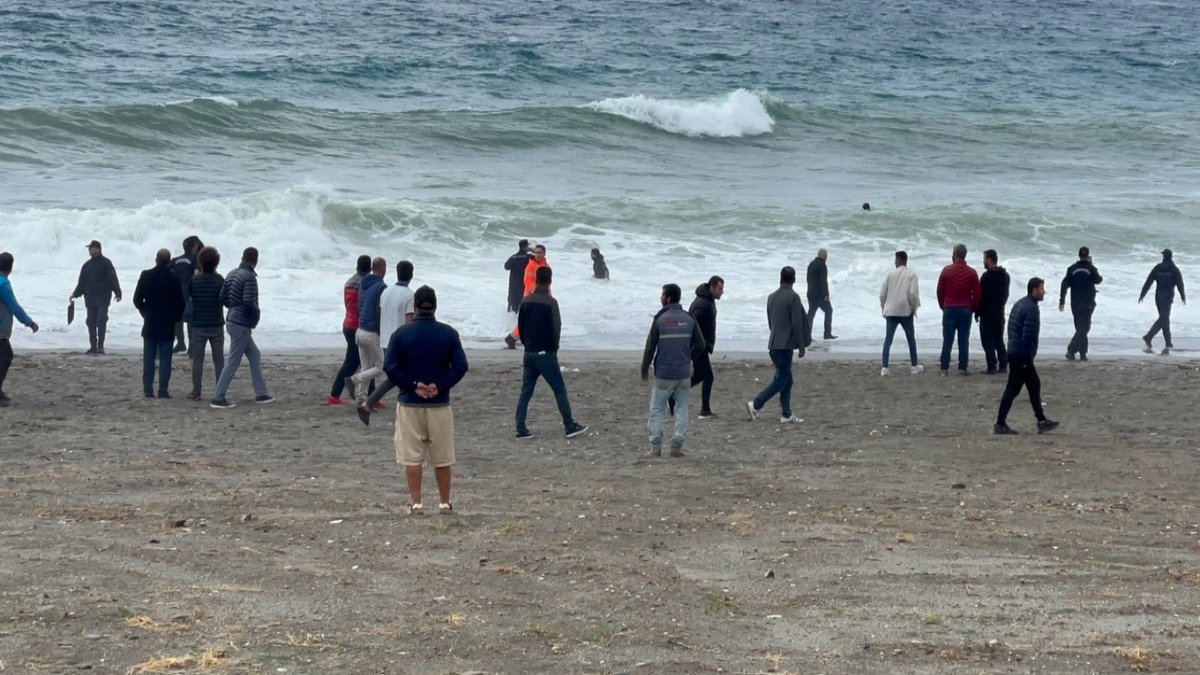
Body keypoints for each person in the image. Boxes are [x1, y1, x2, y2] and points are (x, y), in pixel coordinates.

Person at [383, 285, 469, 515]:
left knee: (412, 456)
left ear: (415, 307)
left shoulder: (401, 334)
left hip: (410, 402)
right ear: (435, 306)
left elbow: (389, 366)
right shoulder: (448, 333)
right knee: (442, 457)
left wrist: (413, 385)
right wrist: (439, 385)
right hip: (439, 403)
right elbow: (461, 366)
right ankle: (444, 502)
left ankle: (417, 503)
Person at [514, 266, 589, 439]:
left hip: (529, 352)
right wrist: (553, 349)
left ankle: (520, 428)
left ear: (535, 280)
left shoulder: (525, 301)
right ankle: (569, 425)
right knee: (559, 390)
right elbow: (556, 328)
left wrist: (527, 345)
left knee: (526, 391)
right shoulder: (551, 303)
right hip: (545, 353)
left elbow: (521, 328)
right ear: (550, 281)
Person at [641, 283, 706, 457]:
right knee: (682, 409)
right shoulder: (689, 318)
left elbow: (650, 347)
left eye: (662, 295)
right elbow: (701, 344)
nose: (660, 298)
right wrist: (688, 356)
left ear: (668, 298)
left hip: (664, 373)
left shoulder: (660, 319)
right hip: (683, 373)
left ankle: (655, 447)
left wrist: (644, 368)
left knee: (656, 410)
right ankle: (676, 446)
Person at [994, 278, 1059, 435]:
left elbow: (1012, 329)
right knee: (1014, 388)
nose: (1044, 292)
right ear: (1034, 289)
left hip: (1014, 351)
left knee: (1032, 385)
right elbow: (1028, 335)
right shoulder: (1031, 308)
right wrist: (1027, 356)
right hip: (1021, 354)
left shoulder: (1021, 304)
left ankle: (1041, 420)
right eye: (1042, 289)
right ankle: (1000, 423)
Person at [211, 247, 273, 408]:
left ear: (242, 257)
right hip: (241, 323)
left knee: (254, 354)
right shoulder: (250, 277)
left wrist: (233, 308)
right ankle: (218, 397)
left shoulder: (232, 273)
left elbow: (222, 297)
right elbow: (248, 302)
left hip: (231, 319)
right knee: (233, 361)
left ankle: (261, 393)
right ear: (255, 260)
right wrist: (255, 315)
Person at [747, 266, 808, 423]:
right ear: (794, 279)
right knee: (781, 380)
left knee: (787, 379)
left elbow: (770, 322)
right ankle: (756, 404)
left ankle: (786, 413)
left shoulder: (771, 297)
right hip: (785, 345)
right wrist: (801, 346)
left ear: (780, 278)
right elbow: (797, 324)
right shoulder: (793, 297)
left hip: (773, 343)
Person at [357, 260, 415, 424]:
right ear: (411, 275)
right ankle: (371, 405)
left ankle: (369, 405)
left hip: (385, 340)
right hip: (401, 342)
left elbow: (380, 314)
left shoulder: (386, 291)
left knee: (396, 377)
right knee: (401, 377)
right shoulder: (410, 295)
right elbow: (409, 322)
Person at [133, 249, 186, 399]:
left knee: (149, 359)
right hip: (167, 324)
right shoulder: (174, 279)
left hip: (150, 322)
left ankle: (148, 390)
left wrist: (145, 313)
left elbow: (137, 300)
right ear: (169, 261)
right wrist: (175, 318)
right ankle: (163, 390)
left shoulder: (146, 275)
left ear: (156, 259)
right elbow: (180, 304)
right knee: (165, 360)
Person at [327, 255, 370, 405]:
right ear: (370, 269)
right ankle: (334, 394)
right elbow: (364, 307)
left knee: (362, 361)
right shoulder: (365, 284)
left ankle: (371, 395)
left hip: (348, 324)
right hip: (359, 326)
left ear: (357, 267)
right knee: (355, 362)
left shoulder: (348, 282)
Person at [0, 252, 39, 407]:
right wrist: (29, 323)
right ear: (10, 267)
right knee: (6, 357)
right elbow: (14, 307)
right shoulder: (3, 284)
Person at [70, 240, 122, 355]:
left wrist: (118, 293)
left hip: (103, 298)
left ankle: (100, 346)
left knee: (101, 319)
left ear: (98, 249)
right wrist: (75, 294)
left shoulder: (106, 263)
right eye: (89, 248)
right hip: (90, 298)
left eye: (92, 248)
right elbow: (81, 283)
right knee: (90, 321)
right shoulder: (86, 265)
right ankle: (93, 346)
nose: (90, 250)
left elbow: (113, 278)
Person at [936, 243, 981, 375]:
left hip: (949, 308)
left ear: (955, 255)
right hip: (965, 309)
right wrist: (973, 307)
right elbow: (977, 294)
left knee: (948, 340)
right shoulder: (972, 273)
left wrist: (942, 306)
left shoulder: (946, 271)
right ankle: (962, 367)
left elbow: (939, 291)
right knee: (963, 340)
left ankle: (944, 368)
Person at [187, 247, 225, 401]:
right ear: (216, 263)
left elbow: (190, 298)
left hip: (199, 324)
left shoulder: (194, 280)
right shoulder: (220, 280)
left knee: (198, 360)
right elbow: (225, 300)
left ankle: (196, 390)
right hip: (216, 324)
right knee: (219, 360)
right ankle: (220, 389)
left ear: (200, 262)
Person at [348, 257, 388, 403]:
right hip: (371, 332)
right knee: (381, 366)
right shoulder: (381, 287)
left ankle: (361, 398)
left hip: (360, 330)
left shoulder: (363, 283)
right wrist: (380, 330)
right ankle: (354, 380)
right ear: (382, 269)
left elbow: (359, 306)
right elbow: (379, 311)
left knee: (366, 366)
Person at [879, 250, 924, 376]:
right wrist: (913, 308)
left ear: (900, 260)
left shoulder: (890, 275)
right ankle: (914, 366)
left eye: (896, 260)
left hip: (891, 311)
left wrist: (884, 307)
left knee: (888, 340)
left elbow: (882, 294)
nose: (894, 263)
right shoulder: (911, 275)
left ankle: (885, 368)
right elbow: (913, 294)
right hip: (905, 311)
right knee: (911, 339)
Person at [688, 275, 723, 418]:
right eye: (720, 289)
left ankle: (672, 397)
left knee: (699, 375)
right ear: (712, 287)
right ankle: (705, 410)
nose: (722, 292)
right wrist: (703, 344)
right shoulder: (702, 304)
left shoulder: (707, 300)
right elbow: (693, 326)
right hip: (698, 346)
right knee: (708, 376)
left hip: (701, 344)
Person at [1060, 246, 1103, 361]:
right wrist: (1092, 265)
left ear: (1079, 255)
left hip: (1075, 303)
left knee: (1080, 327)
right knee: (1084, 327)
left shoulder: (1071, 269)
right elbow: (1098, 280)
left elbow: (1064, 284)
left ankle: (1083, 354)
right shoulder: (1091, 268)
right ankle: (1071, 350)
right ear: (1088, 255)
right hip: (1088, 303)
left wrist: (1062, 301)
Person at [1139, 249, 1186, 355]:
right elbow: (1180, 284)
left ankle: (1168, 342)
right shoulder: (1174, 269)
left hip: (1158, 298)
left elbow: (1148, 281)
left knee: (1164, 319)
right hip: (1168, 298)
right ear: (1171, 257)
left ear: (1164, 256)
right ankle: (1149, 336)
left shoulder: (1158, 268)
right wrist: (1183, 295)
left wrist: (1142, 294)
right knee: (1164, 319)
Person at [504, 244, 549, 349]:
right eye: (536, 252)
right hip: (531, 298)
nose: (537, 254)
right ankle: (514, 338)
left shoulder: (546, 266)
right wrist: (535, 292)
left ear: (544, 254)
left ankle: (513, 338)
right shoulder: (531, 265)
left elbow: (547, 284)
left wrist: (548, 296)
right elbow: (527, 281)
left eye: (540, 253)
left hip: (541, 298)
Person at [977, 249, 1010, 374]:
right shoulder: (1005, 276)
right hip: (999, 312)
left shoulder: (986, 277)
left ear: (990, 260)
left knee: (987, 340)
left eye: (984, 259)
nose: (983, 262)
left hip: (987, 313)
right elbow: (1006, 295)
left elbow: (982, 297)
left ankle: (991, 365)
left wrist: (977, 312)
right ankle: (1003, 363)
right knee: (998, 339)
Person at [170, 235, 204, 354]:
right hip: (189, 294)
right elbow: (196, 275)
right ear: (194, 247)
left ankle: (180, 342)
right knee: (190, 319)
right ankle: (191, 346)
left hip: (176, 294)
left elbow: (169, 274)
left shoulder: (175, 260)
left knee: (177, 318)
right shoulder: (196, 261)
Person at [805, 249, 837, 340]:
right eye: (826, 256)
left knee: (811, 313)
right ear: (824, 256)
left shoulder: (811, 264)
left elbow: (808, 279)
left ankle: (807, 335)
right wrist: (826, 294)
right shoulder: (823, 266)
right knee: (829, 311)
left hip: (810, 294)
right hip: (820, 295)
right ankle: (827, 334)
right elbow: (823, 281)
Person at [503, 239, 530, 313]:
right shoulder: (529, 257)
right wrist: (532, 250)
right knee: (522, 308)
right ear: (524, 247)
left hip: (513, 286)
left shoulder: (513, 257)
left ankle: (508, 323)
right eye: (528, 246)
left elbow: (506, 267)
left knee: (511, 307)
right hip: (524, 286)